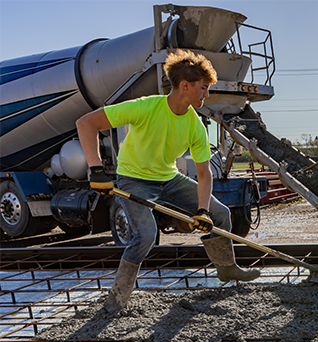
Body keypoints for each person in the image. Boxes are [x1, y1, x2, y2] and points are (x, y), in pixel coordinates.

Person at [77, 49, 259, 313]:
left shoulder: (195, 124)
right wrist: (95, 170)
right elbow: (86, 123)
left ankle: (227, 269)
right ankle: (117, 298)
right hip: (134, 179)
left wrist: (203, 211)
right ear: (185, 86)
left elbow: (205, 174)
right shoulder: (145, 107)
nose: (206, 95)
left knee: (220, 215)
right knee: (146, 236)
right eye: (203, 88)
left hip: (169, 178)